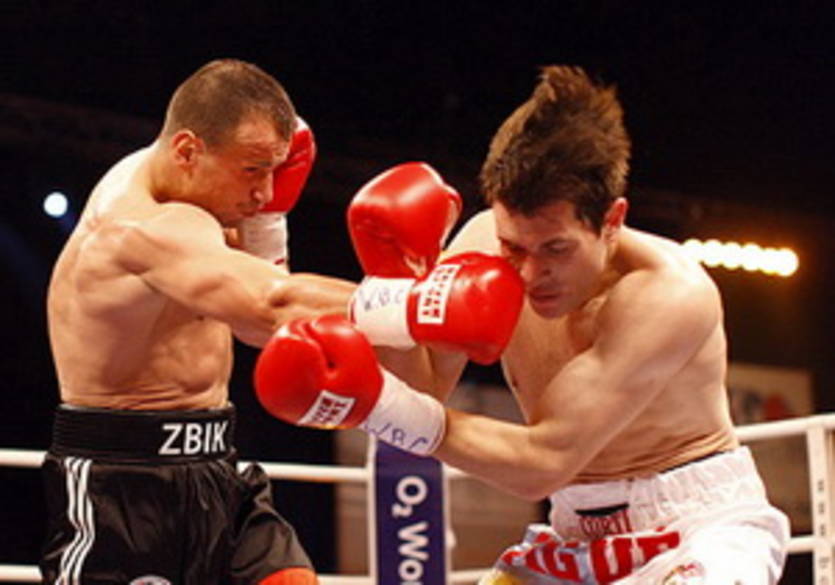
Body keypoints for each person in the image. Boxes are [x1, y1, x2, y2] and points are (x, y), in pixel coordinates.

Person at [254, 66, 790, 584]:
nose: (530, 273)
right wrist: (393, 280)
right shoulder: (483, 241)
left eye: (556, 249)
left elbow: (543, 462)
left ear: (611, 221)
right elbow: (422, 390)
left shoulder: (668, 293)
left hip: (695, 530)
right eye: (515, 247)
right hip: (572, 538)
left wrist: (378, 403)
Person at [42, 58, 357, 585]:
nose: (265, 193)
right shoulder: (139, 225)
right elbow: (272, 306)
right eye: (253, 169)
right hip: (122, 487)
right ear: (187, 150)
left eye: (274, 171)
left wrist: (267, 226)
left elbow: (259, 328)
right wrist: (417, 304)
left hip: (217, 465)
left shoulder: (195, 192)